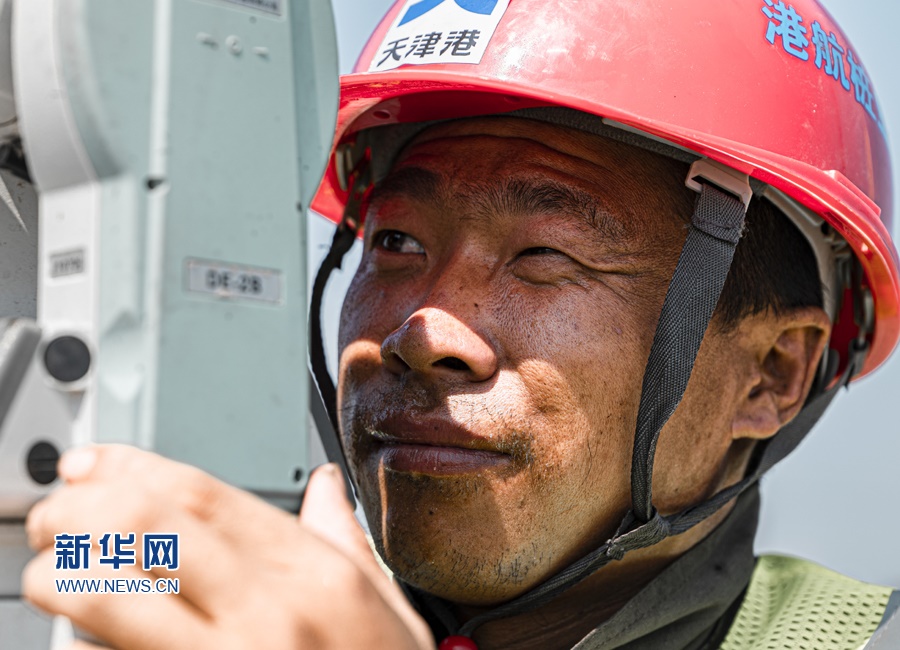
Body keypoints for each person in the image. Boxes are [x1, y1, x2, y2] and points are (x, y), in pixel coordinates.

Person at [21, 0, 900, 648]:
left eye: (544, 256)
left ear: (772, 373)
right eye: (396, 242)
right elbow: (73, 568)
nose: (422, 333)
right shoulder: (231, 595)